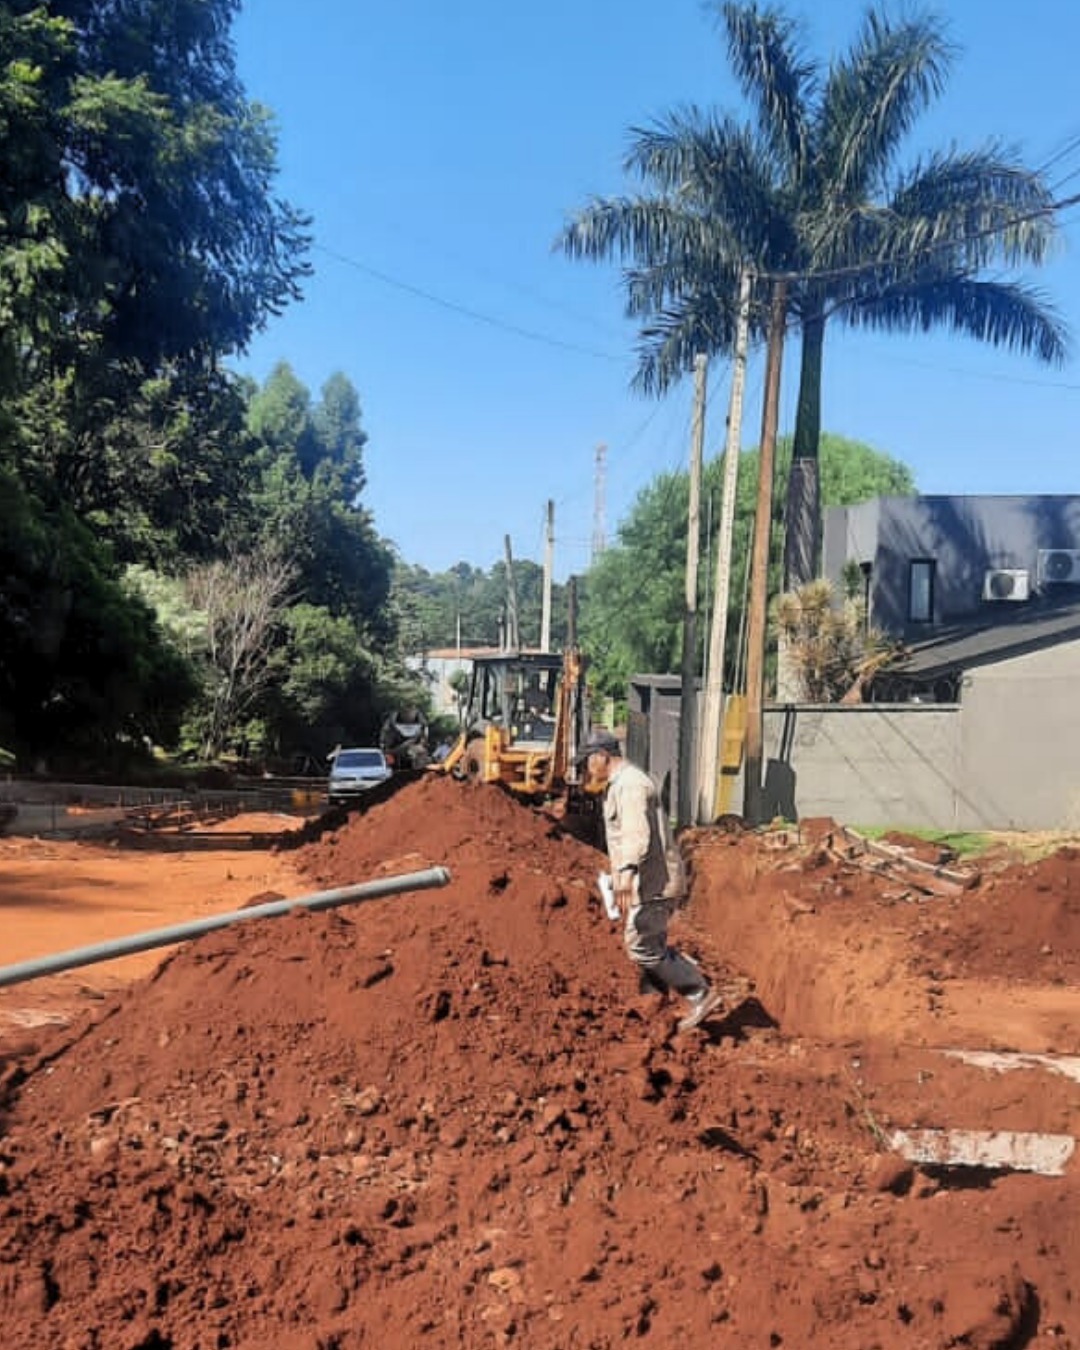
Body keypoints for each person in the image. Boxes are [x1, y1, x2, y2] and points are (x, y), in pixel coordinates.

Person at [581, 730, 723, 1034]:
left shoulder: (630, 786)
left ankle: (699, 991)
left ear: (601, 757)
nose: (586, 769)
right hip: (648, 884)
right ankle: (657, 1004)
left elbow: (637, 835)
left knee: (640, 945)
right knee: (649, 942)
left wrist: (627, 874)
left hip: (655, 884)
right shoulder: (621, 784)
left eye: (587, 762)